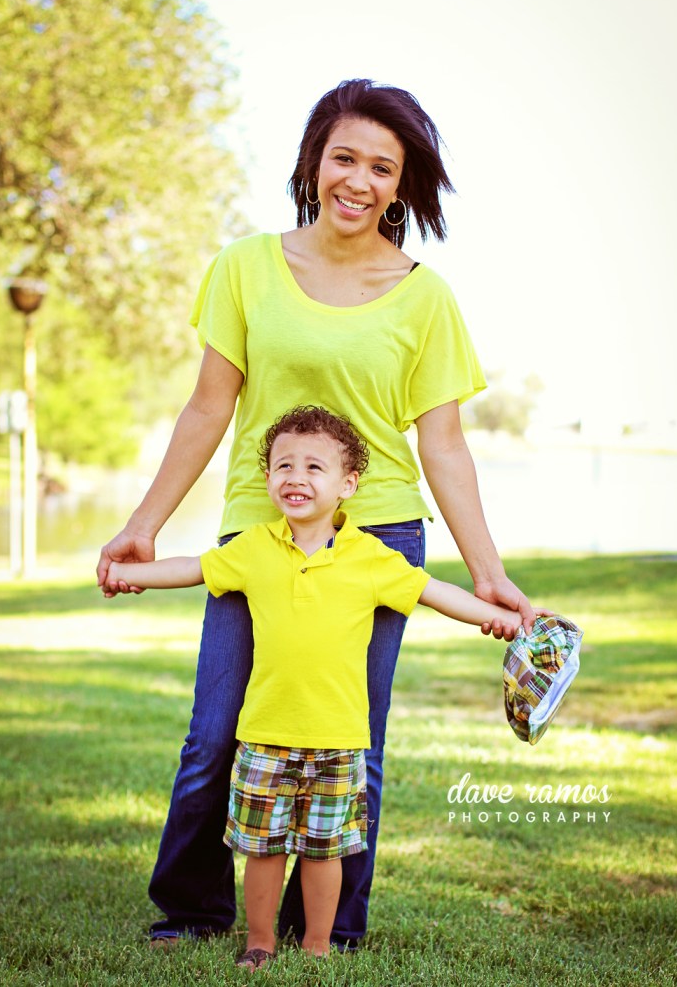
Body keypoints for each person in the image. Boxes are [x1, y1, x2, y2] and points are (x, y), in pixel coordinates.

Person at [97, 78, 537, 950]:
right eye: (345, 158)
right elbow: (208, 407)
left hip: (380, 530)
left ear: (400, 187)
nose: (359, 181)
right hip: (259, 527)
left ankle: (327, 927)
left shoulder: (426, 297)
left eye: (383, 168)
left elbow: (444, 445)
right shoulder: (245, 266)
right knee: (216, 732)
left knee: (351, 741)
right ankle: (193, 907)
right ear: (313, 162)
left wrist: (486, 572)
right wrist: (145, 523)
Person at [105, 406, 522, 969]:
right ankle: (259, 942)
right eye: (283, 466)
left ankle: (318, 944)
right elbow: (194, 568)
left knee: (327, 852)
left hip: (338, 740)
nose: (295, 477)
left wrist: (497, 618)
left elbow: (433, 592)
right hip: (264, 735)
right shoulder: (253, 547)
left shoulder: (372, 558)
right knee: (262, 849)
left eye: (313, 467)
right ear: (267, 478)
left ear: (348, 484)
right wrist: (128, 574)